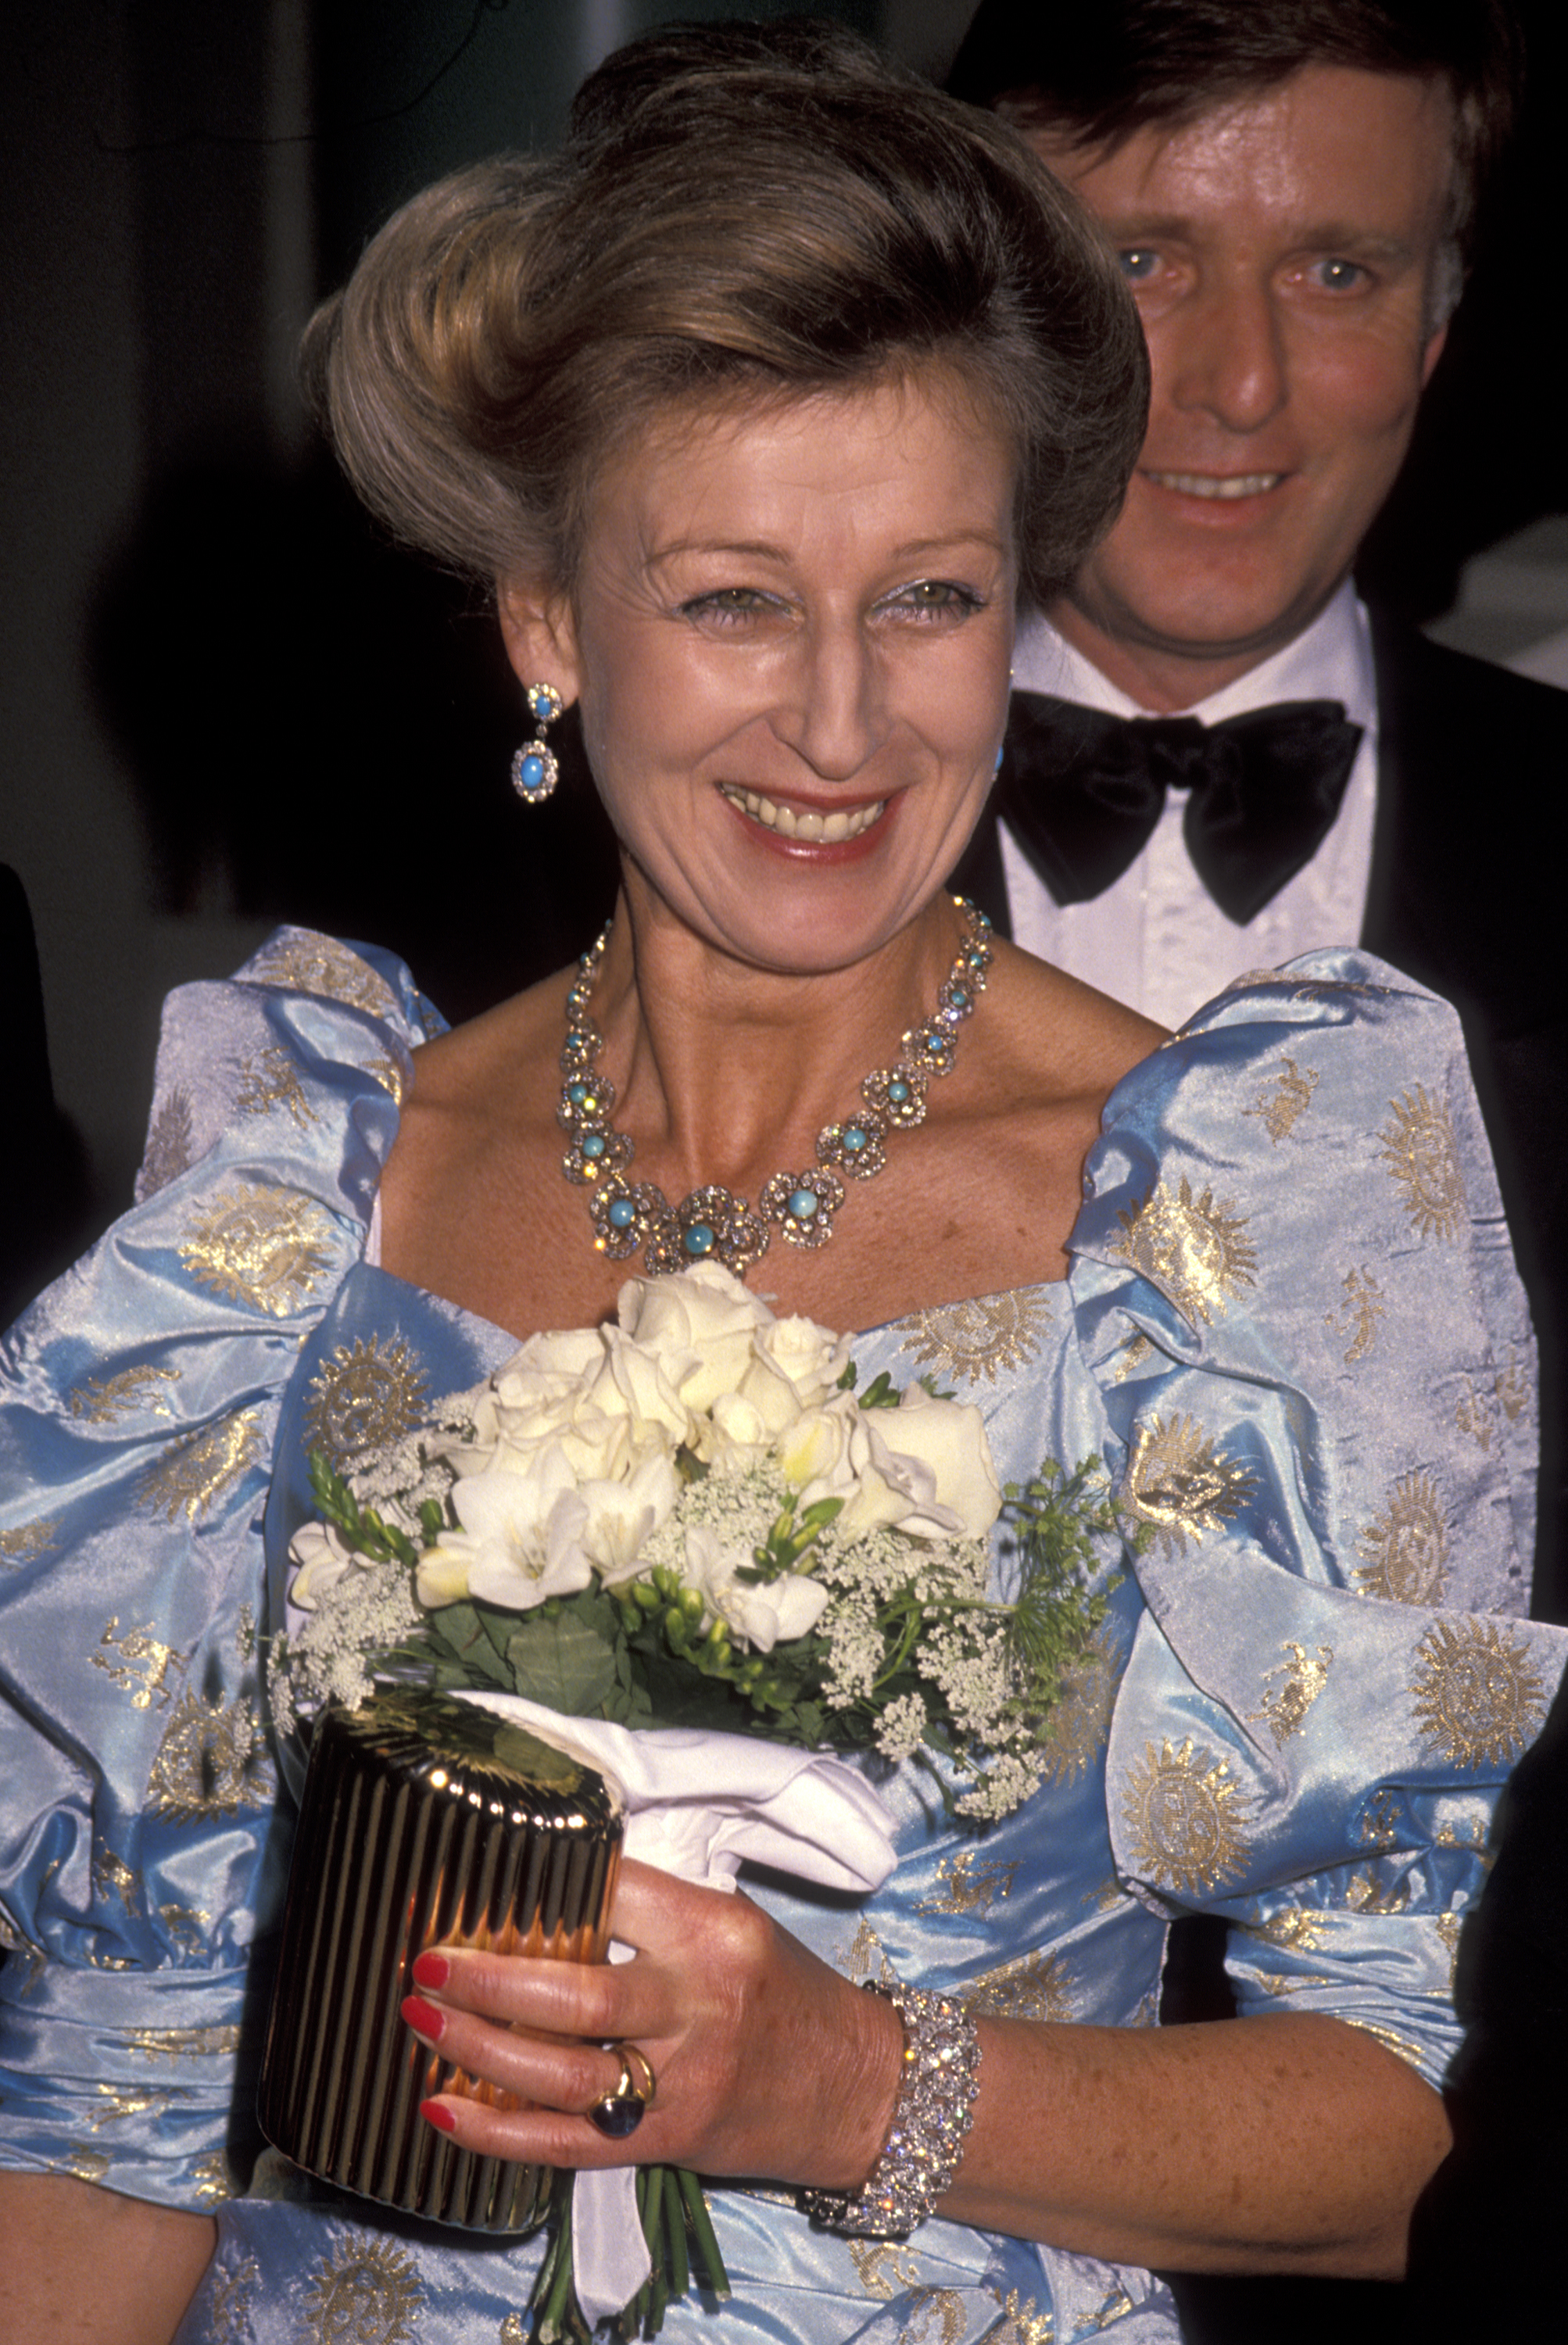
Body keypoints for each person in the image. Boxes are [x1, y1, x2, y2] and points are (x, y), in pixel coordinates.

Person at [1, 23, 1560, 2345]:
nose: (840, 730)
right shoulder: (298, 1194)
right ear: (547, 621)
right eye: (732, 598)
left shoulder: (1238, 1199)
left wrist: (843, 2083)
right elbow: (109, 2103)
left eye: (927, 600)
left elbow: (1379, 2120)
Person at [947, 0, 1568, 1629]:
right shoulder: (690, 850)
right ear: (987, 306)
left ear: (1437, 324)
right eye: (1145, 262)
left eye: (1336, 272)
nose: (1236, 384)